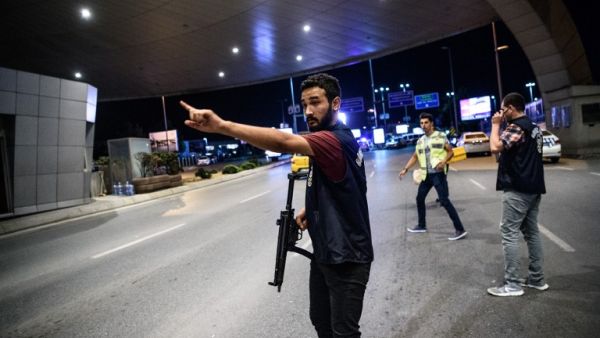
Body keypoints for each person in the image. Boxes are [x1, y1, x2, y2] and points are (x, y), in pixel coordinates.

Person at [181, 73, 373, 337]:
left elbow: (281, 141)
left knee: (343, 332)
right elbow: (350, 186)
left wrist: (222, 126)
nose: (308, 111)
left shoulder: (333, 141)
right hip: (326, 253)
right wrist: (314, 209)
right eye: (305, 104)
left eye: (315, 102)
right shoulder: (335, 138)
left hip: (347, 259)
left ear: (336, 103)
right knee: (321, 321)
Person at [487, 92, 548, 297]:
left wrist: (495, 125)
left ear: (511, 108)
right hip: (534, 187)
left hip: (518, 189)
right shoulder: (534, 128)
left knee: (509, 233)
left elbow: (495, 147)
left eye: (503, 109)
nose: (501, 113)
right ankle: (537, 279)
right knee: (531, 233)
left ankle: (513, 284)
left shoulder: (516, 126)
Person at [398, 113, 467, 241]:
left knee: (444, 201)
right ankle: (421, 225)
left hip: (438, 174)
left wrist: (444, 161)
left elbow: (450, 151)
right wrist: (405, 169)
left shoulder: (440, 136)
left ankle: (460, 229)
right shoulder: (420, 140)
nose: (423, 125)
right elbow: (415, 156)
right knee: (419, 199)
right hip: (426, 175)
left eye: (426, 122)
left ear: (431, 123)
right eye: (422, 123)